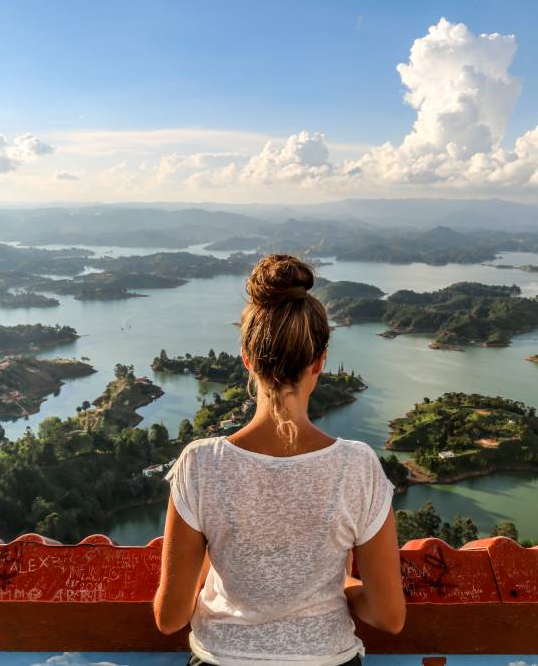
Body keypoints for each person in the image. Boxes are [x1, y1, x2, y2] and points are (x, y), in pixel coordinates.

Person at [154, 254, 406, 665]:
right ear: (320, 362)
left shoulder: (200, 464)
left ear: (247, 359)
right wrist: (338, 585)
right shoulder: (357, 467)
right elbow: (388, 616)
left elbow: (170, 618)